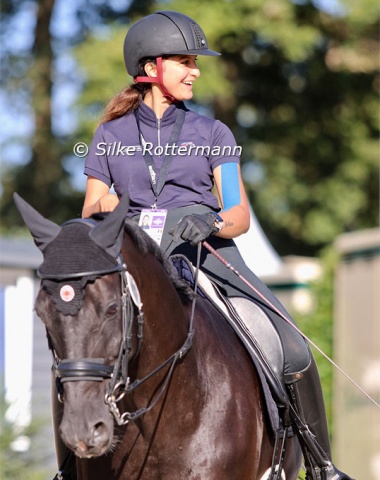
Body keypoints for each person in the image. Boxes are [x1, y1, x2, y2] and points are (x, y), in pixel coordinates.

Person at [81, 10, 353, 480]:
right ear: (151, 69)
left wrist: (206, 221)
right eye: (185, 61)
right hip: (134, 260)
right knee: (77, 349)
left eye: (195, 62)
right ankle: (71, 464)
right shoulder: (110, 136)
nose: (195, 70)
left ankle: (321, 464)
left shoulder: (214, 133)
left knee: (291, 347)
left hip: (206, 256)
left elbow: (239, 215)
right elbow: (91, 210)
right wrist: (126, 212)